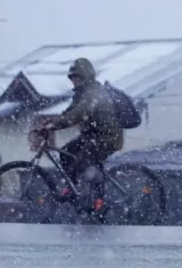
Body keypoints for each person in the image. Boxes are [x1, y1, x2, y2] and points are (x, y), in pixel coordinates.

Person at [37, 57, 124, 196]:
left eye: (77, 77)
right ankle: (72, 188)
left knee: (86, 163)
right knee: (66, 153)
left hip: (107, 137)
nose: (74, 81)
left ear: (86, 76)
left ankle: (98, 200)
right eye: (72, 78)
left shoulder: (93, 92)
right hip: (92, 136)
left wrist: (55, 125)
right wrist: (51, 122)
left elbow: (77, 114)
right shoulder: (81, 94)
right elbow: (68, 112)